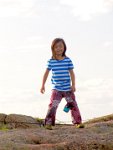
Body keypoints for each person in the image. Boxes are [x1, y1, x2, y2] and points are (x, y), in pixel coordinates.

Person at [40, 38, 84, 130]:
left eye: (60, 46)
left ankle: (77, 122)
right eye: (56, 47)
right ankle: (48, 123)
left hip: (68, 88)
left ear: (64, 48)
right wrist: (42, 85)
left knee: (73, 104)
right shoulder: (51, 61)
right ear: (53, 49)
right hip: (56, 89)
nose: (58, 48)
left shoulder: (68, 60)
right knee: (53, 105)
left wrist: (73, 85)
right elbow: (46, 73)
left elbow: (72, 73)